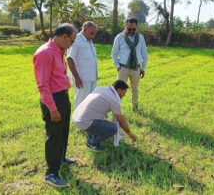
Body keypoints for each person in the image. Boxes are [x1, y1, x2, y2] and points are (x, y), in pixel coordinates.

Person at [33, 23, 78, 188]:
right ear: (64, 36)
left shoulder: (60, 51)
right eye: (72, 41)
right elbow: (43, 85)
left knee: (64, 131)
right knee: (54, 136)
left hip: (63, 97)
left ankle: (61, 158)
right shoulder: (45, 53)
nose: (72, 44)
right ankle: (51, 173)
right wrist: (52, 108)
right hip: (53, 100)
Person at [72, 80, 137, 151]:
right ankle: (92, 143)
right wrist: (129, 133)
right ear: (119, 90)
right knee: (113, 128)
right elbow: (121, 121)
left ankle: (91, 135)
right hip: (84, 122)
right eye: (124, 92)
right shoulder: (114, 99)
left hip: (76, 117)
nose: (124, 95)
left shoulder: (101, 88)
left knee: (99, 119)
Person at [111, 18, 148, 111]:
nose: (131, 31)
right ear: (125, 26)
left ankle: (135, 108)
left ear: (137, 27)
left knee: (135, 89)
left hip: (136, 69)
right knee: (118, 90)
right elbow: (114, 53)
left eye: (133, 29)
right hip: (123, 68)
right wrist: (117, 66)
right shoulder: (119, 37)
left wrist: (143, 68)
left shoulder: (141, 38)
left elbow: (144, 54)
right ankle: (116, 109)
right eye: (129, 29)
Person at [67, 21, 99, 109]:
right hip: (82, 78)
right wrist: (77, 78)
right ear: (84, 30)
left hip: (92, 77)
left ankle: (86, 121)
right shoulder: (76, 40)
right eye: (91, 33)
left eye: (94, 34)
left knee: (90, 102)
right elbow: (70, 59)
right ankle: (77, 121)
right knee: (80, 102)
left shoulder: (89, 40)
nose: (93, 36)